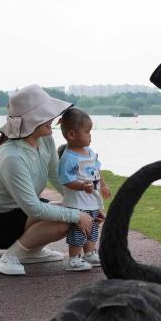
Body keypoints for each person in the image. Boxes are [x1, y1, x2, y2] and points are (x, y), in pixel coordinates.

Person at [0, 84, 94, 276]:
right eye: (46, 114)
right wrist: (77, 215)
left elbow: (57, 176)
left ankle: (32, 252)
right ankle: (9, 257)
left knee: (71, 210)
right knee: (66, 221)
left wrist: (85, 204)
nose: (53, 119)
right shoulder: (12, 156)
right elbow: (34, 208)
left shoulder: (45, 140)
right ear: (32, 120)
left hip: (22, 211)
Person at [56, 107, 111, 271]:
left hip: (92, 200)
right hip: (77, 203)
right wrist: (80, 186)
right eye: (87, 132)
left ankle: (89, 253)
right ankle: (74, 258)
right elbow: (65, 180)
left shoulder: (90, 152)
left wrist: (103, 185)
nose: (90, 135)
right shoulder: (68, 157)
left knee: (93, 227)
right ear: (72, 135)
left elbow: (97, 169)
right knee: (79, 230)